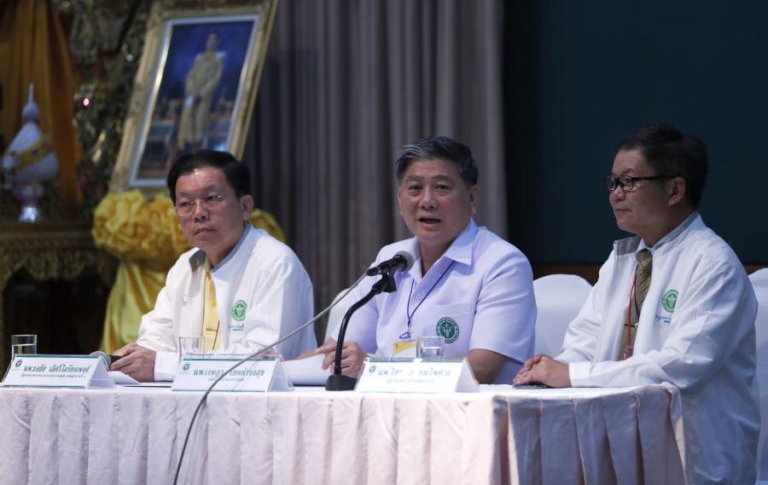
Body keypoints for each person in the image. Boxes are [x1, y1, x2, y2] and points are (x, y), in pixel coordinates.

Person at [513, 124, 759, 484]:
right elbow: (585, 339)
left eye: (628, 182)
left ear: (674, 189)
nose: (616, 194)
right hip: (625, 449)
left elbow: (680, 366)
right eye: (612, 183)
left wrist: (570, 375)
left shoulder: (713, 264)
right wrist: (548, 372)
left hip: (695, 459)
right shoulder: (624, 259)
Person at [313, 136, 537, 384]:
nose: (427, 201)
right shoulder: (390, 259)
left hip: (471, 416)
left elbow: (481, 370)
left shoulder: (502, 263)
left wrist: (373, 368)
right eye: (415, 189)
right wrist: (271, 365)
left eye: (442, 187)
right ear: (400, 200)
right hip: (391, 410)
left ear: (472, 198)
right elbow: (332, 355)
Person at [111, 150, 316, 381]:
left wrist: (163, 365)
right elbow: (157, 339)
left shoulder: (275, 263)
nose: (198, 213)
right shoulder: (184, 267)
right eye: (186, 203)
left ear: (245, 206)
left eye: (212, 199)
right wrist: (130, 358)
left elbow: (262, 361)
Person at [176, 32, 224, 152]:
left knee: (199, 122)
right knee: (186, 119)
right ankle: (183, 148)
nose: (211, 43)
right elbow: (190, 76)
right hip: (192, 94)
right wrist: (192, 90)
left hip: (204, 97)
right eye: (209, 40)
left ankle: (198, 150)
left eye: (214, 40)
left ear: (217, 43)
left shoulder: (219, 59)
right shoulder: (199, 58)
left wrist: (202, 93)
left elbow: (215, 79)